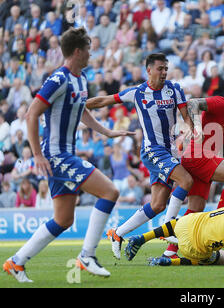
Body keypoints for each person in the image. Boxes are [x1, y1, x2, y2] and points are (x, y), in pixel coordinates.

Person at [3, 28, 135, 283]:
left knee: (63, 219)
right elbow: (32, 114)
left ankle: (16, 262)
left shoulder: (81, 79)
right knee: (110, 191)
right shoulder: (58, 79)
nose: (90, 52)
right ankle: (87, 255)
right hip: (56, 156)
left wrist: (105, 131)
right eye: (88, 48)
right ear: (77, 51)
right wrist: (38, 155)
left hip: (64, 154)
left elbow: (81, 110)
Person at [85, 53, 194, 260]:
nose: (164, 72)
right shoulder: (137, 92)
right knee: (186, 180)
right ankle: (169, 227)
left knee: (157, 204)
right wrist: (76, 105)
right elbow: (104, 100)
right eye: (160, 68)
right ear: (149, 70)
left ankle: (117, 233)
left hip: (170, 151)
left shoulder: (175, 89)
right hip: (152, 150)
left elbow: (186, 116)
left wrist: (191, 129)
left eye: (166, 69)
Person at [158, 78, 224, 258]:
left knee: (195, 209)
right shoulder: (221, 103)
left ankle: (169, 252)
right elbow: (193, 103)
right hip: (198, 154)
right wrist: (196, 127)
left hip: (202, 159)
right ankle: (219, 226)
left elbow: (222, 150)